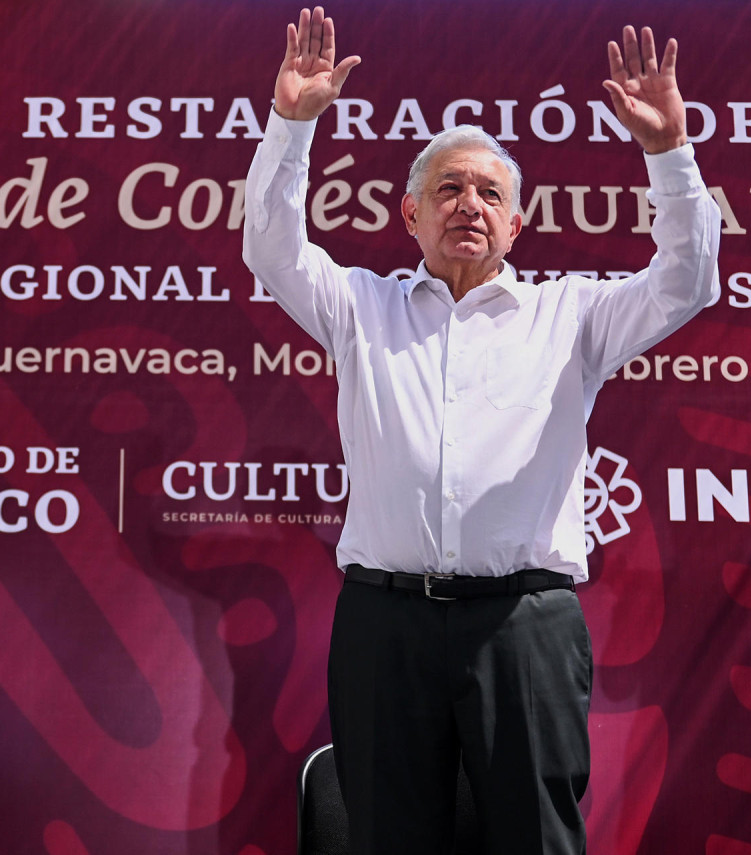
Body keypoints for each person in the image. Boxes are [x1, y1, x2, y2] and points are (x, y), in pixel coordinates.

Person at [243, 8, 719, 854]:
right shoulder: (361, 307)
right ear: (410, 215)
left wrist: (668, 153)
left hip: (524, 626)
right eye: (450, 189)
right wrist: (290, 126)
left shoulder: (572, 315)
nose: (470, 205)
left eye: (490, 193)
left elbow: (686, 280)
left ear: (516, 223)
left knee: (537, 840)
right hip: (383, 625)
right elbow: (273, 249)